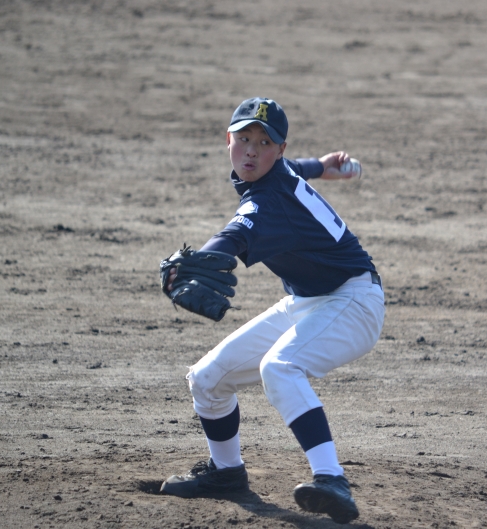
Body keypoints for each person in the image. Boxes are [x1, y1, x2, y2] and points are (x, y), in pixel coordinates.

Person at [159, 97, 385, 524]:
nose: (251, 151)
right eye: (244, 138)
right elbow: (295, 168)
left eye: (264, 143)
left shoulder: (266, 201)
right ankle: (226, 473)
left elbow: (234, 234)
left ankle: (332, 478)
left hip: (355, 302)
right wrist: (321, 166)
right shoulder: (278, 171)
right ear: (228, 140)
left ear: (278, 150)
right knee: (208, 379)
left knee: (279, 367)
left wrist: (199, 259)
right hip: (308, 301)